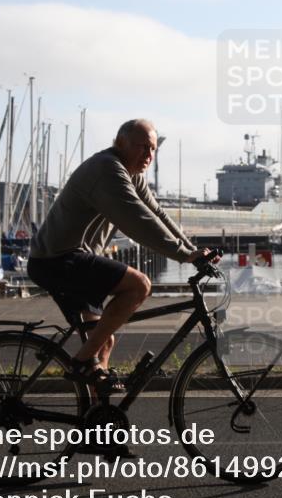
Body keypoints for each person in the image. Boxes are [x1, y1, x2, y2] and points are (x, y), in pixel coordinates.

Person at [27, 119, 211, 394]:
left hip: (68, 259)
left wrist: (193, 250)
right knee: (139, 285)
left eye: (153, 149)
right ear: (121, 143)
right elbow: (138, 220)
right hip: (58, 260)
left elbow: (156, 213)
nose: (148, 154)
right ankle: (80, 363)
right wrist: (184, 254)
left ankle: (94, 411)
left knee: (103, 342)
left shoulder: (132, 174)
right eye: (142, 147)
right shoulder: (108, 169)